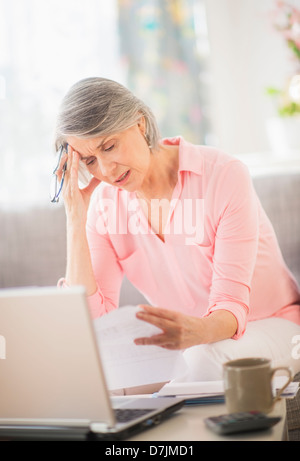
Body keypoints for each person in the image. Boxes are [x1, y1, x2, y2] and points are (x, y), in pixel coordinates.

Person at [53, 77, 300, 384]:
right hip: (188, 345)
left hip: (272, 325)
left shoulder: (222, 175)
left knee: (201, 361)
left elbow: (230, 307)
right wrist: (75, 217)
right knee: (94, 377)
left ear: (139, 124)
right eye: (90, 160)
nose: (106, 170)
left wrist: (193, 334)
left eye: (109, 146)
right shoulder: (104, 205)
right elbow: (94, 322)